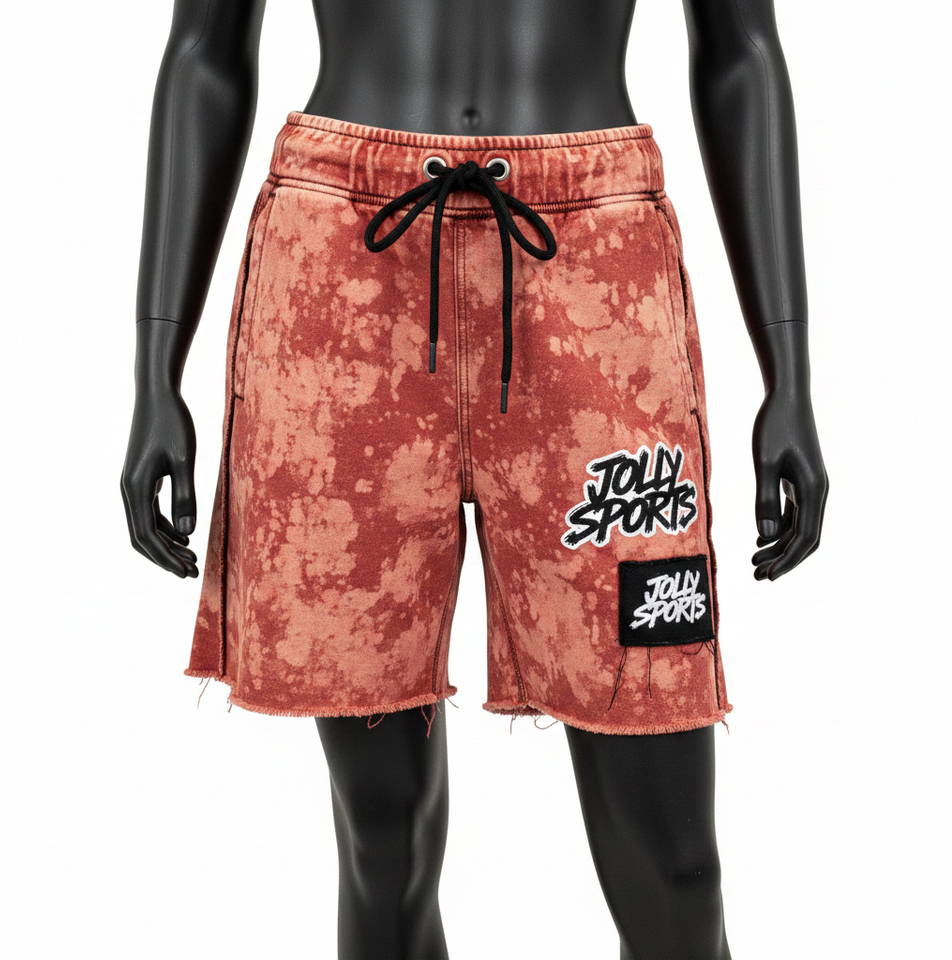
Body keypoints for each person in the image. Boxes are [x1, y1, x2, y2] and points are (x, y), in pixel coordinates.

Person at [121, 1, 829, 957]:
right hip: (341, 276)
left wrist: (790, 376)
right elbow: (205, 52)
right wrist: (154, 372)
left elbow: (741, 51)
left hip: (596, 279)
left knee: (675, 861)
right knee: (383, 841)